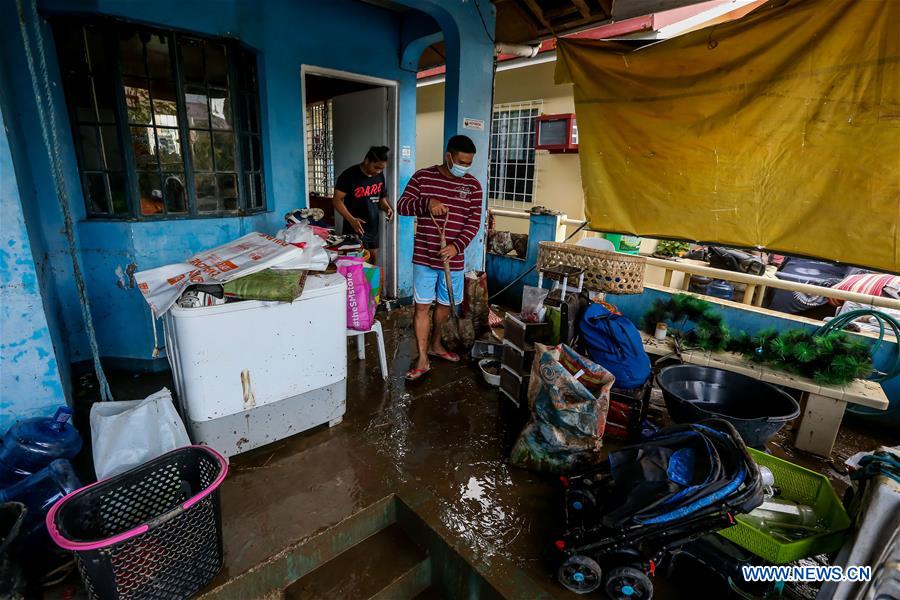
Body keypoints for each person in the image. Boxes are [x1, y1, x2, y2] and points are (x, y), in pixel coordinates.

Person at [397, 135, 482, 381]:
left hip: (453, 261)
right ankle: (423, 358)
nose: (464, 168)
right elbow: (402, 206)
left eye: (468, 163)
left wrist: (456, 246)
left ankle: (436, 345)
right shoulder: (423, 177)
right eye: (461, 162)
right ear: (448, 156)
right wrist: (427, 202)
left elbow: (473, 221)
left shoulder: (473, 186)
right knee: (422, 306)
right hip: (424, 257)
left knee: (445, 305)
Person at [332, 146, 393, 266]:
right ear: (367, 161)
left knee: (372, 261)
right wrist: (351, 220)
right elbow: (336, 200)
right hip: (355, 227)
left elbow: (381, 198)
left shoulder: (379, 176)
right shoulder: (349, 175)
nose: (378, 171)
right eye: (376, 167)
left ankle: (368, 285)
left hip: (373, 228)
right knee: (357, 263)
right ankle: (357, 284)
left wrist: (387, 208)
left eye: (381, 169)